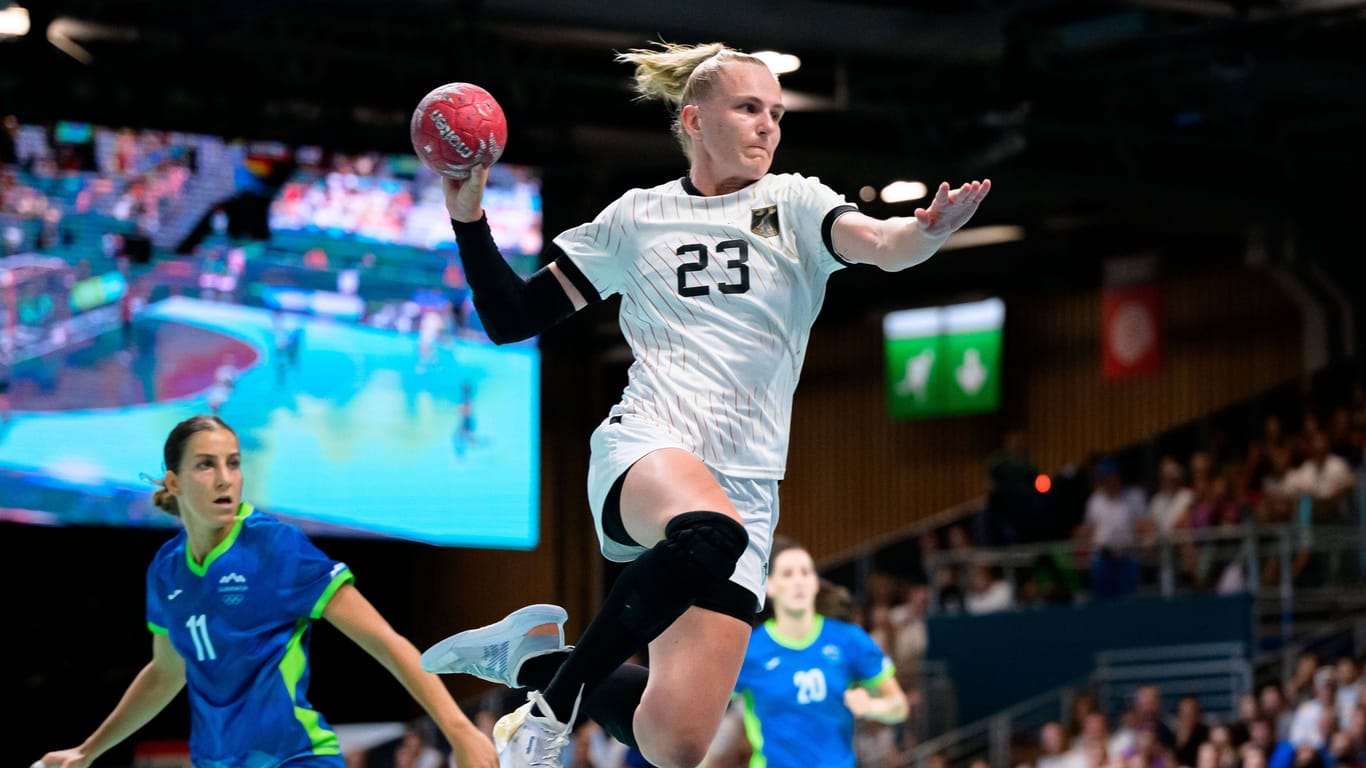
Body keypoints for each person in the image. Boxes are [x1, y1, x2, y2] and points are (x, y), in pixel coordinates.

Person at [419, 40, 989, 768]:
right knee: (707, 533)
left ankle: (531, 664)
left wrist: (926, 230)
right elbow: (510, 317)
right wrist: (467, 215)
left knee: (674, 741)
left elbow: (883, 243)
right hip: (649, 447)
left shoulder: (795, 202)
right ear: (694, 120)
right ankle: (552, 711)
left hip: (748, 483)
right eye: (749, 109)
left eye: (776, 113)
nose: (767, 126)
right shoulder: (637, 218)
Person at [34, 414, 497, 768]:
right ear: (173, 483)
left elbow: (386, 642)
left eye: (233, 463)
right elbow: (166, 672)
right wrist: (87, 751)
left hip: (295, 757)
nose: (224, 478)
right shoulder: (167, 570)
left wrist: (459, 729)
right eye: (205, 465)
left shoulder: (274, 546)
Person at [705, 537, 909, 768]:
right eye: (788, 574)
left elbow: (899, 706)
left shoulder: (848, 639)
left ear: (815, 583)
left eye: (805, 573)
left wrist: (872, 707)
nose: (799, 581)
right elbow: (703, 712)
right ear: (770, 585)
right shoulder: (749, 649)